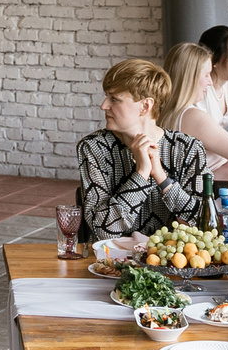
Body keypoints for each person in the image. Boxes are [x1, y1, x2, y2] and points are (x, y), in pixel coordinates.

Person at [76, 58, 210, 239]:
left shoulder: (188, 149)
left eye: (114, 99)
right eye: (107, 96)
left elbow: (204, 225)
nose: (104, 105)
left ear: (145, 106)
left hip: (172, 256)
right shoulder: (94, 147)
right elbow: (102, 230)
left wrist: (162, 178)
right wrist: (141, 174)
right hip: (113, 256)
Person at [159, 42, 228, 182]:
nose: (210, 82)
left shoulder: (165, 113)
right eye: (207, 75)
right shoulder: (192, 117)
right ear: (190, 77)